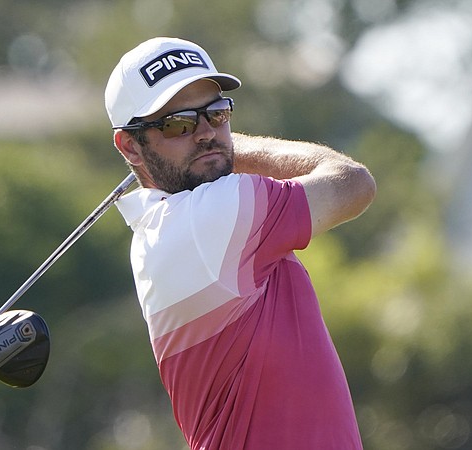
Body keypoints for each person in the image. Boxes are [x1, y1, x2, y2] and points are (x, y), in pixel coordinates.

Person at [105, 37, 376, 450]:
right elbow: (353, 182)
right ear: (130, 146)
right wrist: (229, 145)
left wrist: (202, 140)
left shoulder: (166, 229)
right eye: (179, 124)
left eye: (217, 113)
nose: (205, 133)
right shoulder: (211, 214)